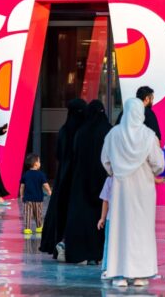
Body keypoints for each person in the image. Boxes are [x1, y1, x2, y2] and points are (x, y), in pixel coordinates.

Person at [98, 97, 165, 287]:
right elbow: (159, 165)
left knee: (120, 228)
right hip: (143, 191)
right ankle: (140, 275)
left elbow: (105, 160)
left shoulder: (113, 134)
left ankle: (119, 275)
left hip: (121, 190)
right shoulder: (148, 135)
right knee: (141, 230)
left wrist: (115, 171)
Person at [63, 100, 110, 264]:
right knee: (101, 216)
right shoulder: (108, 131)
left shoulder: (81, 131)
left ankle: (81, 252)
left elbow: (74, 154)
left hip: (81, 180)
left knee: (82, 217)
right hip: (102, 179)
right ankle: (99, 254)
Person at [40, 98, 86, 256]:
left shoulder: (64, 130)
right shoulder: (83, 131)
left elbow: (58, 154)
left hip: (63, 175)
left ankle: (57, 241)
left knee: (60, 209)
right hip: (77, 175)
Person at [19, 153, 51, 235]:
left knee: (27, 214)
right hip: (38, 199)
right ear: (36, 163)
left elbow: (22, 186)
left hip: (27, 199)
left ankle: (27, 229)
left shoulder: (26, 174)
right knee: (38, 214)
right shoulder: (41, 174)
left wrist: (21, 195)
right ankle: (39, 227)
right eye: (39, 161)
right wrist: (49, 191)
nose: (40, 163)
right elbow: (45, 184)